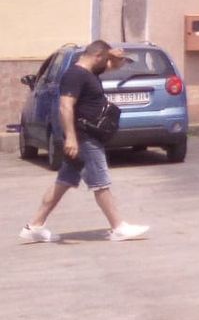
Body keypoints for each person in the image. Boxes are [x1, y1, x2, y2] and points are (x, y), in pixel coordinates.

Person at [18, 41, 150, 243]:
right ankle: (118, 227)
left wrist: (113, 55)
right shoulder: (75, 75)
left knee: (63, 182)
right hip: (83, 137)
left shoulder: (90, 73)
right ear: (97, 57)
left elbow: (114, 65)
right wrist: (71, 137)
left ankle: (35, 225)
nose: (109, 64)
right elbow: (65, 107)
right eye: (105, 59)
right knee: (101, 183)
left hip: (84, 137)